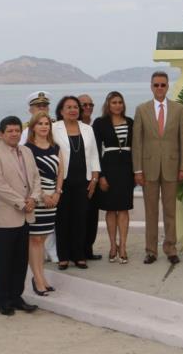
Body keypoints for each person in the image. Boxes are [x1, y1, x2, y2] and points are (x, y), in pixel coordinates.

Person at [133, 71, 183, 265]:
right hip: (148, 168)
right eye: (156, 85)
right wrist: (138, 170)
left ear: (167, 86)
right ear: (151, 86)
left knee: (170, 211)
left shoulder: (179, 109)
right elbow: (137, 142)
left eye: (163, 85)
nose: (159, 88)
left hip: (172, 167)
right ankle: (151, 251)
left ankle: (170, 248)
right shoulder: (142, 109)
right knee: (151, 211)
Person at [0, 116, 42, 316]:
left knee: (20, 260)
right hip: (4, 217)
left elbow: (36, 178)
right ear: (1, 134)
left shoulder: (26, 151)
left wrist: (34, 199)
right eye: (9, 131)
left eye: (17, 130)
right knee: (3, 261)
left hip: (26, 215)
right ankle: (2, 300)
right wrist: (21, 203)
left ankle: (17, 297)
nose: (14, 134)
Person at [52, 95, 102, 270]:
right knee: (62, 220)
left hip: (84, 181)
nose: (73, 110)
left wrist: (94, 179)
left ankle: (79, 255)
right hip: (62, 182)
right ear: (61, 111)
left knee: (81, 219)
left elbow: (95, 155)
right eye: (69, 107)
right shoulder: (53, 128)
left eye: (75, 107)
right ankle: (63, 256)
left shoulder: (87, 129)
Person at [93, 91, 135, 264]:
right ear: (108, 105)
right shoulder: (100, 123)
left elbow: (138, 146)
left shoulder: (131, 122)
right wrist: (101, 175)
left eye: (120, 102)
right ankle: (112, 246)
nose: (117, 105)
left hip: (126, 169)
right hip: (108, 169)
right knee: (111, 210)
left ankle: (123, 246)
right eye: (114, 102)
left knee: (124, 209)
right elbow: (95, 150)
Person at [24, 111, 64, 295]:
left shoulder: (56, 148)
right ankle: (37, 279)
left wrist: (57, 193)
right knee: (35, 240)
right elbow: (30, 176)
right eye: (39, 123)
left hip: (52, 200)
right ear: (33, 127)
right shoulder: (27, 149)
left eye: (46, 123)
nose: (43, 126)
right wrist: (42, 196)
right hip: (37, 201)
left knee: (43, 239)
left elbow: (60, 173)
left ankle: (41, 277)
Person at [78, 93, 102, 262]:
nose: (87, 108)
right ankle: (77, 251)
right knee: (78, 217)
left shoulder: (97, 126)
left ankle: (88, 249)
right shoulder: (70, 126)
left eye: (90, 105)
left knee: (92, 216)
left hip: (95, 176)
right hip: (77, 178)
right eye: (84, 105)